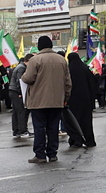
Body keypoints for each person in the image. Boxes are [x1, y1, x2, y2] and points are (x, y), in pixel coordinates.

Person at [21, 35, 71, 164]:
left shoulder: (35, 60)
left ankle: (40, 154)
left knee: (39, 127)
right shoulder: (62, 60)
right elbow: (67, 82)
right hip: (57, 100)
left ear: (39, 46)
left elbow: (28, 78)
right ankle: (52, 153)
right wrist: (65, 98)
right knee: (53, 127)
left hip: (38, 100)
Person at [66, 52, 98, 147]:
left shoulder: (69, 70)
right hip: (86, 99)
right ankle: (89, 140)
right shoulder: (85, 69)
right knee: (86, 121)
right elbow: (92, 84)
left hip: (73, 100)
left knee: (73, 120)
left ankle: (76, 140)